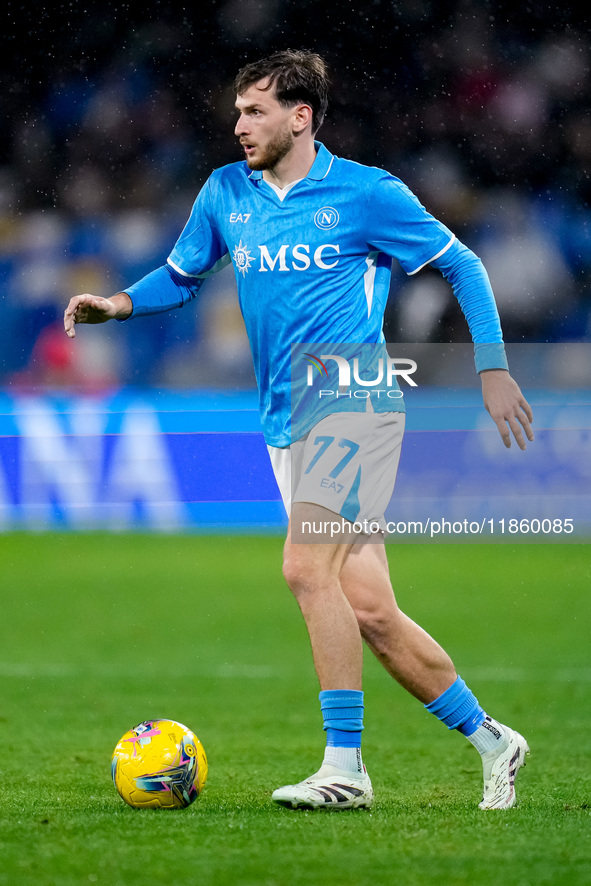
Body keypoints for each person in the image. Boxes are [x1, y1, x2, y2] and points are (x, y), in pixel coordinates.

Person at [64, 49, 534, 811]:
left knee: (303, 570)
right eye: (237, 111)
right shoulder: (225, 192)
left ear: (300, 116)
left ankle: (344, 770)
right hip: (285, 421)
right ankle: (493, 740)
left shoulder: (365, 193)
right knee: (373, 613)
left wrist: (491, 366)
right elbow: (182, 277)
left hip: (354, 401)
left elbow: (463, 264)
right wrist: (116, 303)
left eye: (255, 111)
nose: (238, 124)